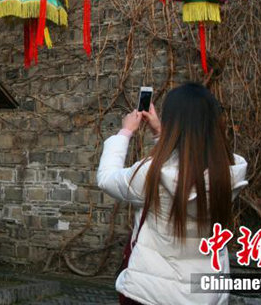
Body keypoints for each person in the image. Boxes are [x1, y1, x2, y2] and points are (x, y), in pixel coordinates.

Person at [97, 83, 248, 305]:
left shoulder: (153, 174)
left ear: (173, 123)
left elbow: (107, 179)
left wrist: (125, 132)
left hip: (152, 294)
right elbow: (187, 162)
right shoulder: (228, 173)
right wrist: (161, 133)